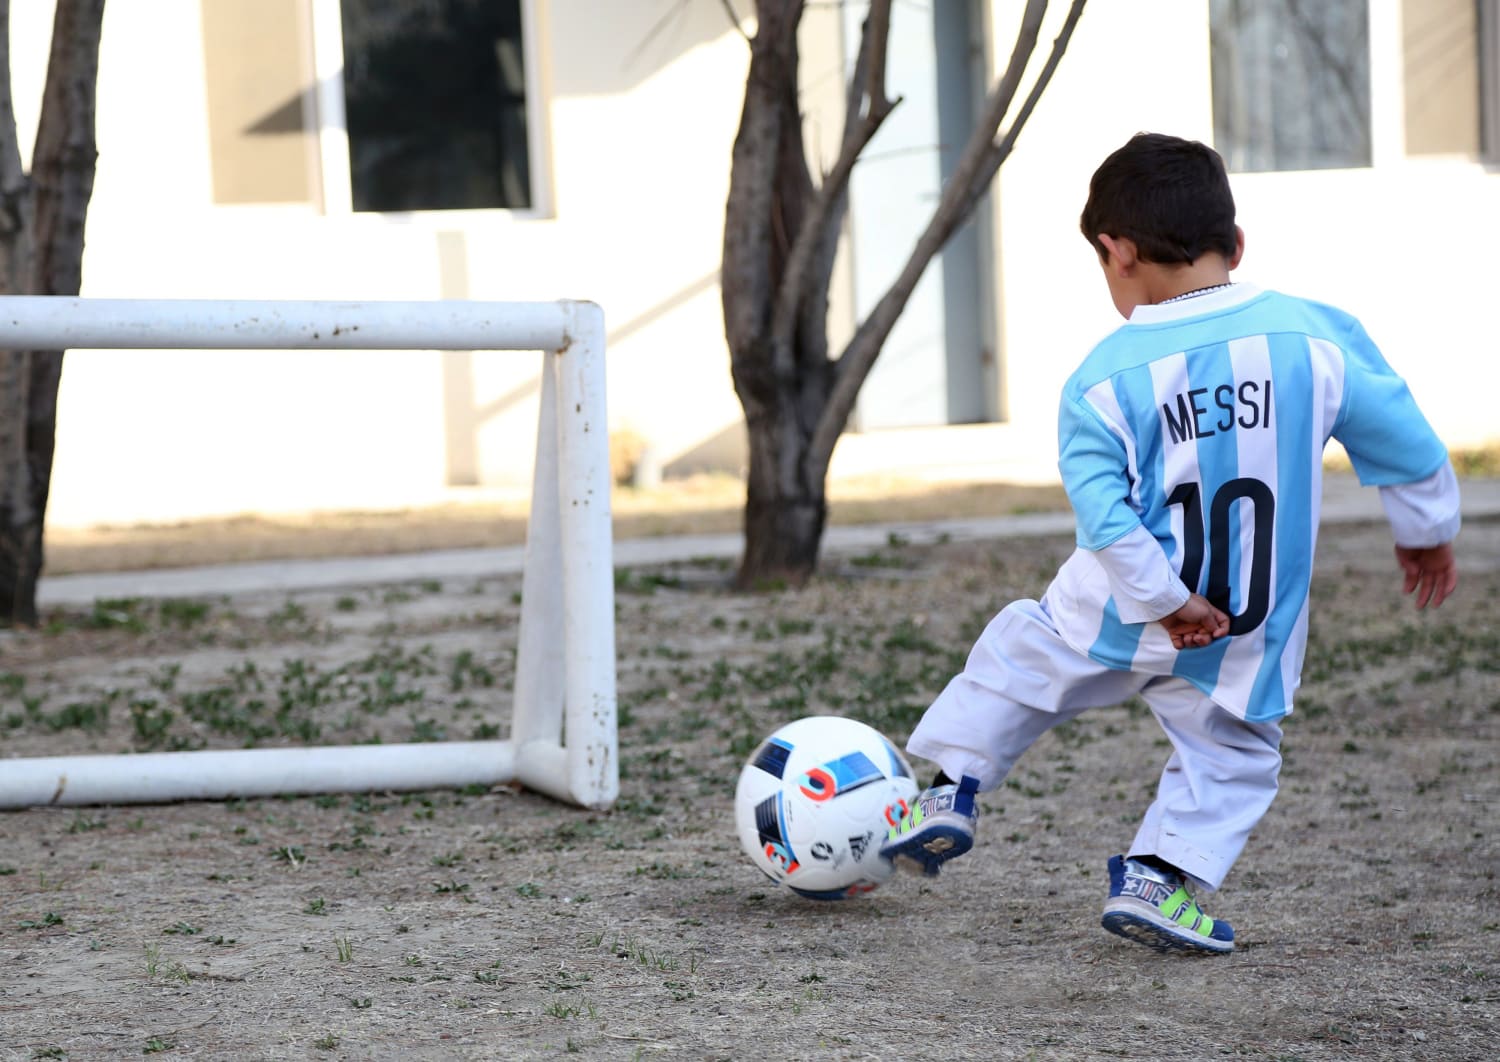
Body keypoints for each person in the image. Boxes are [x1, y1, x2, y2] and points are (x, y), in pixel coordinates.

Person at [878, 132, 1461, 955]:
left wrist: (1163, 601)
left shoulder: (1101, 380)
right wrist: (1426, 532)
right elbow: (1406, 439)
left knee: (1018, 659)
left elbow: (1106, 517)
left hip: (1117, 608)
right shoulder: (1314, 340)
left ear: (1116, 253)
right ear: (1237, 243)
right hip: (1239, 631)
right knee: (1232, 759)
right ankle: (1157, 877)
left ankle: (950, 790)